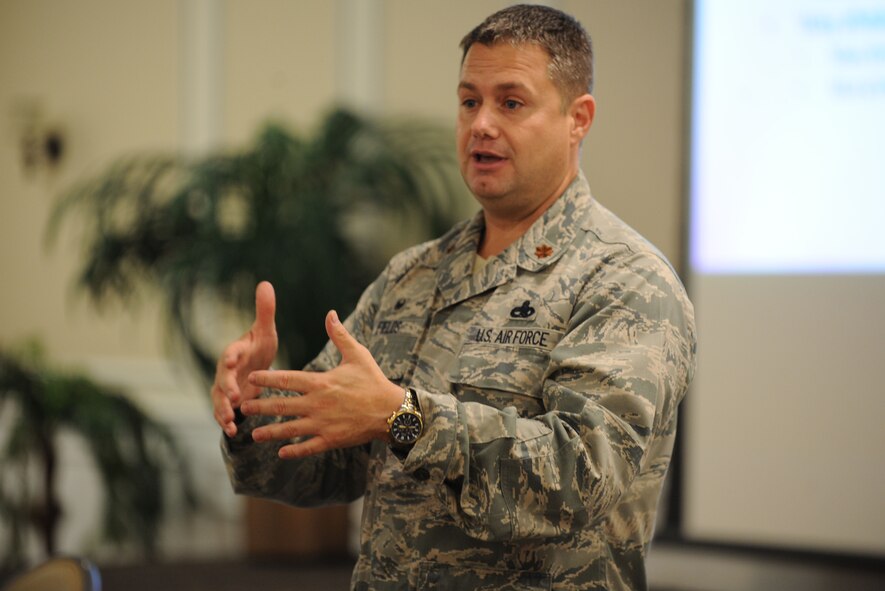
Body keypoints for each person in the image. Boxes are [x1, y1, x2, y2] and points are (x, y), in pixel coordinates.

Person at [212, 4, 696, 590]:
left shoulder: (626, 280)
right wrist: (250, 407)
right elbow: (322, 467)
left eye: (511, 103)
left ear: (578, 118)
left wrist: (403, 418)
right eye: (469, 102)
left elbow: (579, 479)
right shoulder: (409, 277)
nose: (481, 124)